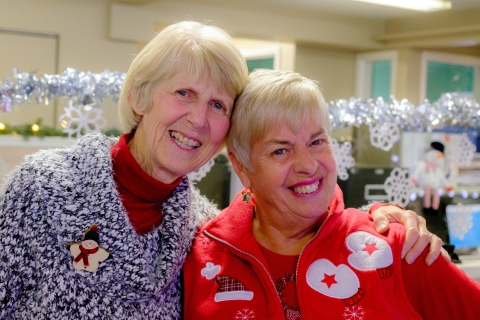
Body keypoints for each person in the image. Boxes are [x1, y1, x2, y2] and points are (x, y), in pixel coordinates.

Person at [0, 21, 442, 319]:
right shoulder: (43, 187)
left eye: (217, 105)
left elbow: (285, 210)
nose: (198, 119)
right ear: (139, 96)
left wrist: (384, 218)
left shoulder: (202, 231)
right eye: (184, 93)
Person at [183, 69, 480, 319]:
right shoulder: (201, 257)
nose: (308, 165)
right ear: (241, 165)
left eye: (317, 141)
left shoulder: (401, 248)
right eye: (280, 150)